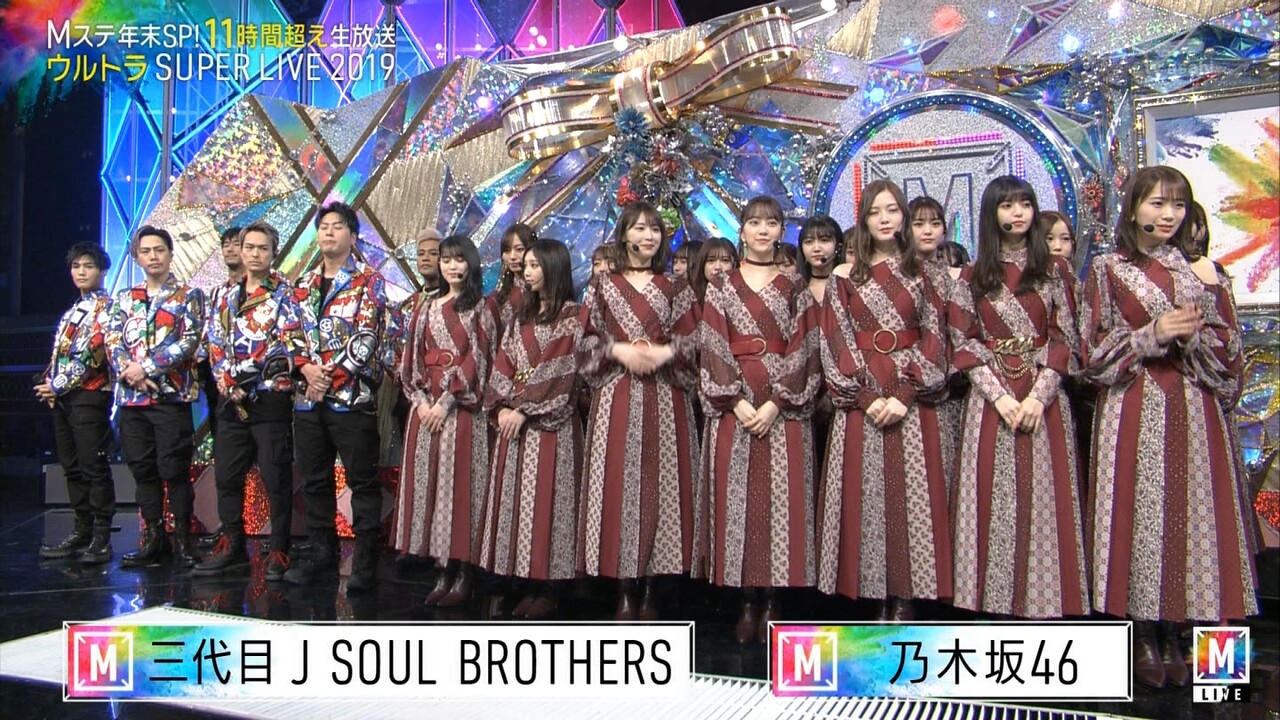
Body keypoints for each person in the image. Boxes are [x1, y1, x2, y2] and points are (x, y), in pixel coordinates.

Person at [1080, 165, 1258, 689]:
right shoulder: (1108, 269)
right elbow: (1090, 352)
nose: (1168, 215)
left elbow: (1232, 355)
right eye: (1157, 203)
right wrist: (1151, 333)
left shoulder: (1204, 272)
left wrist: (1198, 333)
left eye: (1177, 205)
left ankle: (1197, 648)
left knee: (1200, 521)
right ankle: (1143, 636)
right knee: (1141, 519)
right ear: (1134, 207)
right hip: (1134, 405)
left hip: (1196, 408)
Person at [948, 176, 1087, 620]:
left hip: (1043, 397)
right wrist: (1000, 397)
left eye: (1025, 203)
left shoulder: (1056, 271)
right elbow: (963, 342)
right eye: (1007, 205)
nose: (1018, 212)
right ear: (992, 214)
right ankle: (991, 606)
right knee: (992, 500)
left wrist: (1038, 397)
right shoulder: (972, 276)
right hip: (991, 401)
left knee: (1044, 500)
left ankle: (1046, 606)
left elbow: (1067, 338)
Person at [817, 180, 951, 620]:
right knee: (869, 499)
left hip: (912, 400)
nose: (885, 219)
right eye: (875, 212)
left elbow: (937, 339)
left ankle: (908, 598)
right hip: (864, 400)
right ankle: (874, 596)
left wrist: (906, 392)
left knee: (913, 500)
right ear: (863, 221)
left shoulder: (927, 274)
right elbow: (835, 340)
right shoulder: (844, 278)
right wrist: (866, 396)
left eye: (892, 210)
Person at [700, 196, 819, 642]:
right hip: (735, 405)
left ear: (782, 231)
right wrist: (735, 400)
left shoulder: (796, 286)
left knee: (781, 503)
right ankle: (746, 600)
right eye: (755, 223)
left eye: (771, 223)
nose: (763, 230)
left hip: (782, 409)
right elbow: (712, 343)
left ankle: (774, 600)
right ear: (743, 231)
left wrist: (776, 402)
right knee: (739, 501)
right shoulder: (721, 284)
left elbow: (806, 346)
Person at [578, 200, 702, 620]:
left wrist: (666, 352)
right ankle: (624, 589)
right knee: (618, 485)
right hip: (617, 394)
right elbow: (584, 340)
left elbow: (697, 339)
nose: (648, 236)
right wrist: (618, 350)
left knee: (663, 487)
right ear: (624, 235)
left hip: (666, 397)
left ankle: (652, 587)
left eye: (654, 229)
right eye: (639, 228)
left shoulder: (676, 287)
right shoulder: (602, 286)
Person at [286, 201, 394, 593]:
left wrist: (329, 377)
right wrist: (306, 370)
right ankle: (322, 555)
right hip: (307, 398)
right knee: (315, 480)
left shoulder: (369, 281)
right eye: (324, 227)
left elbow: (367, 336)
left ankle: (365, 560)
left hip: (352, 398)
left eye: (337, 226)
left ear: (353, 235)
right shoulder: (301, 284)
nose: (329, 232)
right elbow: (289, 332)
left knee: (361, 481)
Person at [194, 222, 307, 580]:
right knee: (227, 476)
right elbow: (214, 341)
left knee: (275, 477)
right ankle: (232, 545)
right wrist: (225, 380)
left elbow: (288, 344)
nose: (255, 254)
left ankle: (279, 550)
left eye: (263, 248)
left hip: (269, 398)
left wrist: (244, 376)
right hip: (230, 400)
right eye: (250, 247)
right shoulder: (225, 295)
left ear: (273, 253)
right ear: (240, 251)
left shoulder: (286, 295)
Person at [479, 239, 583, 619]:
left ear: (553, 268)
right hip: (514, 422)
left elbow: (560, 367)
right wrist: (504, 406)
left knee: (549, 503)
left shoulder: (573, 315)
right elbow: (504, 361)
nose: (527, 272)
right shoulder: (521, 314)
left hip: (550, 425)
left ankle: (549, 586)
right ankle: (521, 580)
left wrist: (524, 409)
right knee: (517, 503)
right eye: (526, 266)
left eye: (535, 266)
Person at [394, 235, 493, 607]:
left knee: (460, 487)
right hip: (425, 410)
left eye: (459, 260)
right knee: (431, 487)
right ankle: (440, 568)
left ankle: (464, 569)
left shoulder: (480, 309)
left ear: (471, 264)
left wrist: (447, 401)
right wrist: (421, 401)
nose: (452, 266)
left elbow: (479, 359)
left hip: (461, 410)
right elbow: (412, 358)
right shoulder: (426, 307)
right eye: (446, 260)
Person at [107, 226, 206, 568]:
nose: (153, 256)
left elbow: (189, 340)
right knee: (143, 469)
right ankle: (153, 537)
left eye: (159, 250)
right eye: (146, 251)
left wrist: (146, 368)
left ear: (170, 253)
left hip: (171, 398)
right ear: (137, 257)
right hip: (132, 400)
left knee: (174, 469)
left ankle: (184, 540)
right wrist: (130, 371)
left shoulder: (188, 295)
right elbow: (113, 341)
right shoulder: (125, 298)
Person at [36, 242, 116, 564]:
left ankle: (102, 537)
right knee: (71, 466)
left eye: (88, 266)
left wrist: (55, 385)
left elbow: (93, 353)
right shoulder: (74, 310)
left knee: (93, 465)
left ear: (102, 271)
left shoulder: (107, 308)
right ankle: (82, 529)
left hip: (90, 395)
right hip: (64, 398)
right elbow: (61, 354)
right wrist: (50, 383)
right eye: (76, 266)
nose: (81, 272)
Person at [909, 196, 965, 491]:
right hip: (908, 383)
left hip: (951, 387)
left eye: (935, 223)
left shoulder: (956, 278)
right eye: (919, 224)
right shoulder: (900, 277)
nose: (928, 231)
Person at [689, 237, 738, 306]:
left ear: (734, 265)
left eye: (725, 260)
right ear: (702, 264)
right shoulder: (689, 299)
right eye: (711, 260)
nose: (717, 267)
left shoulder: (743, 299)